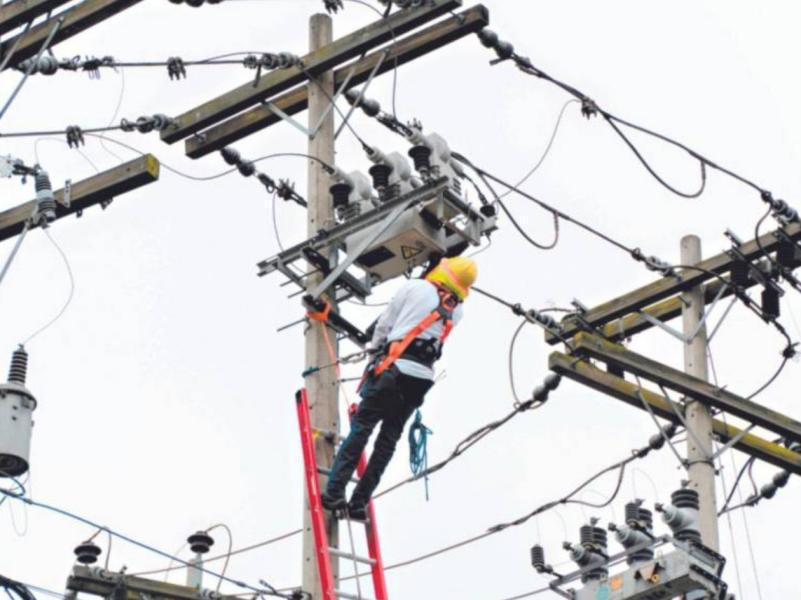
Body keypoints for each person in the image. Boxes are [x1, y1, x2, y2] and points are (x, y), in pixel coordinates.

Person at [321, 256, 478, 520]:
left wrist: (373, 350)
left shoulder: (415, 288)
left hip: (393, 370)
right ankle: (359, 504)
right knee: (387, 442)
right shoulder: (456, 310)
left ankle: (334, 492)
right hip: (421, 381)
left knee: (362, 428)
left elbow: (385, 324)